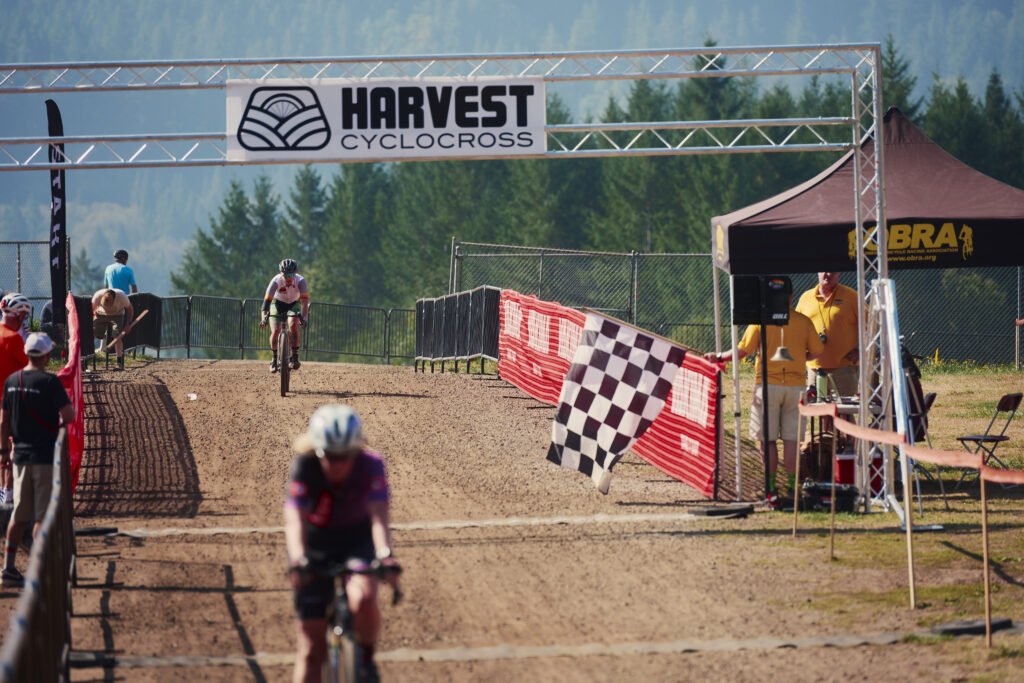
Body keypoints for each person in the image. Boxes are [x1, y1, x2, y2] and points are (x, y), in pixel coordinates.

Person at [284, 404, 399, 683]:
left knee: (365, 599)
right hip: (315, 545)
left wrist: (385, 555)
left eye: (344, 457)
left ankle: (366, 659)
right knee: (311, 652)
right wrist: (298, 559)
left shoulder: (371, 464)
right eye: (329, 456)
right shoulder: (305, 466)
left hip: (356, 540)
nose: (337, 465)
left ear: (356, 450)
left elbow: (378, 515)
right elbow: (295, 519)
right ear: (316, 450)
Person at [705, 298, 823, 501]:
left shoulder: (760, 320)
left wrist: (719, 356)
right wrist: (799, 356)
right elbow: (817, 351)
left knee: (767, 440)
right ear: (791, 296)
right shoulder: (804, 321)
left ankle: (771, 488)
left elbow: (743, 351)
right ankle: (792, 487)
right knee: (792, 441)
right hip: (796, 388)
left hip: (767, 386)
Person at [0, 333, 74, 588]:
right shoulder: (50, 382)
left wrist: (3, 452)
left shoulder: (12, 381)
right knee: (41, 517)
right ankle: (38, 570)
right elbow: (69, 415)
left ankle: (8, 568)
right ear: (45, 355)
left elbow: (3, 421)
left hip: (19, 457)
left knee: (19, 515)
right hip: (44, 457)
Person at [795, 272, 860, 398]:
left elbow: (872, 323)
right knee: (818, 408)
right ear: (818, 272)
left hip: (843, 369)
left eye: (833, 271)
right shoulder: (805, 298)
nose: (828, 274)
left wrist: (861, 350)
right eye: (824, 270)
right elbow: (796, 328)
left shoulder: (851, 296)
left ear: (839, 273)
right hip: (814, 369)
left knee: (844, 408)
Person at [0, 294, 31, 507]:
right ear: (18, 315)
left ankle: (3, 492)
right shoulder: (13, 339)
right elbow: (30, 368)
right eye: (25, 316)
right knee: (14, 448)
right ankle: (8, 493)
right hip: (13, 402)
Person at [261, 258, 309, 374]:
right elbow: (266, 303)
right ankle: (274, 359)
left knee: (293, 326)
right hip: (277, 303)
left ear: (295, 273)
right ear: (280, 273)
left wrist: (304, 318)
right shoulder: (275, 281)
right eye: (285, 274)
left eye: (291, 274)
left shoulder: (301, 281)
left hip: (293, 303)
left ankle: (295, 356)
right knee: (275, 330)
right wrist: (263, 318)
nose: (288, 277)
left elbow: (304, 302)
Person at [91, 288, 134, 371]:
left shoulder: (122, 296)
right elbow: (91, 310)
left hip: (117, 315)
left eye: (109, 305)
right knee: (93, 332)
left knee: (117, 336)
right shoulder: (97, 296)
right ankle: (88, 357)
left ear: (114, 300)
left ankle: (119, 361)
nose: (107, 308)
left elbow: (130, 309)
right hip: (100, 314)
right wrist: (91, 322)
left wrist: (128, 324)